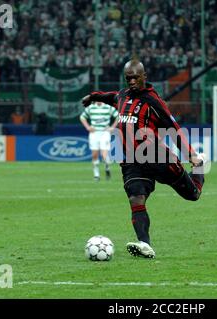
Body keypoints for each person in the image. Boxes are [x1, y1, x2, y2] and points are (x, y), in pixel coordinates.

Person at [82, 60, 206, 259]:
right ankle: (145, 244)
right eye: (128, 78)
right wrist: (93, 97)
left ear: (144, 76)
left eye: (135, 77)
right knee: (136, 198)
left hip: (157, 157)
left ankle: (200, 166)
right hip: (132, 161)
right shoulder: (122, 96)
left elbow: (173, 127)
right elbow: (110, 96)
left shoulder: (153, 100)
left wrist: (190, 154)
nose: (131, 81)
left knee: (193, 194)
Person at [80, 101, 119, 181]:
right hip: (94, 133)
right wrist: (88, 127)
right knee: (94, 155)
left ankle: (107, 167)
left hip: (105, 133)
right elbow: (82, 117)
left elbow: (118, 116)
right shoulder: (91, 108)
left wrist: (112, 127)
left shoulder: (108, 107)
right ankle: (96, 174)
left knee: (104, 154)